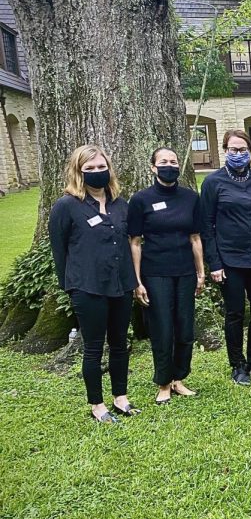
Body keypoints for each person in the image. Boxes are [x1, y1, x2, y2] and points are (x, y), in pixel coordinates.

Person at [49, 145, 139, 423]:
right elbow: (59, 250)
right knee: (93, 347)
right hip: (87, 287)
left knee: (120, 344)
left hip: (121, 284)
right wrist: (71, 286)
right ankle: (97, 405)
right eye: (90, 169)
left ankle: (120, 397)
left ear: (109, 170)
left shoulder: (121, 204)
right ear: (79, 172)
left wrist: (133, 281)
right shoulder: (67, 206)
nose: (97, 173)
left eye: (102, 167)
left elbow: (129, 243)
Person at [200, 129, 251, 386]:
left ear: (249, 151)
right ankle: (237, 365)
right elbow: (207, 226)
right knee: (234, 313)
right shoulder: (213, 183)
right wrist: (215, 263)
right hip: (229, 261)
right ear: (225, 151)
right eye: (233, 149)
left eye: (243, 150)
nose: (238, 154)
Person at [127, 147, 203, 405]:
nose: (168, 165)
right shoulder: (140, 200)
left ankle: (179, 379)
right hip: (155, 273)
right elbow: (135, 242)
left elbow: (195, 238)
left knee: (184, 328)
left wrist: (201, 272)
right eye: (163, 162)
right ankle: (163, 382)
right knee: (162, 329)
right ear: (152, 167)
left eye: (173, 161)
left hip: (185, 272)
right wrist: (137, 281)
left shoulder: (191, 198)